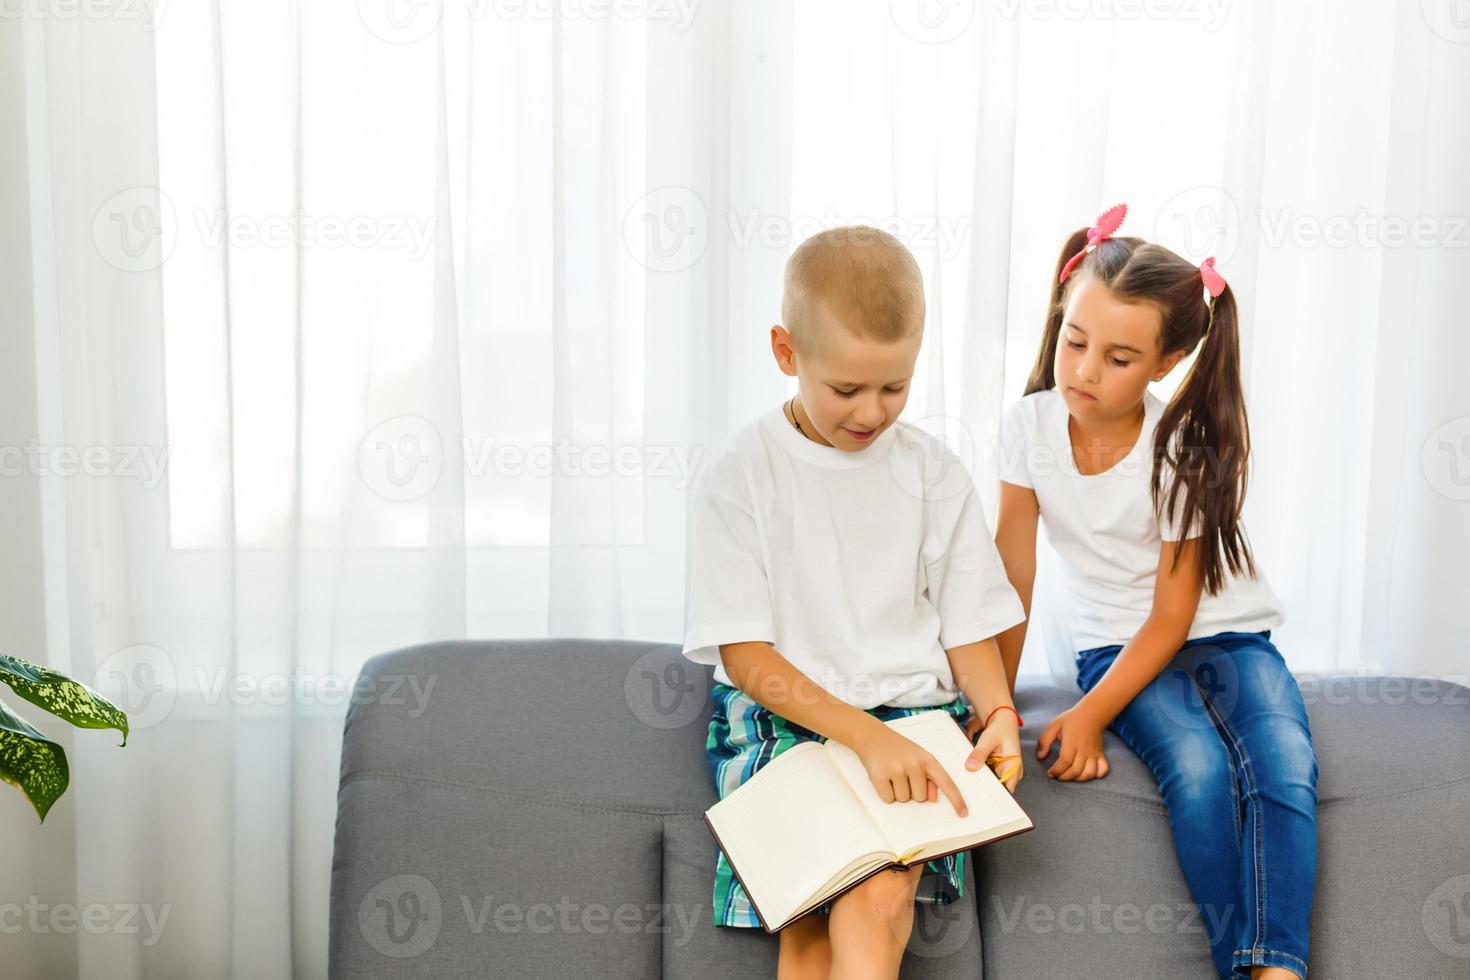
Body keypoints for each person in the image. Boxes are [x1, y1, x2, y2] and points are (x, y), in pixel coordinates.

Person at [681, 225, 1026, 980]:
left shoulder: (933, 472)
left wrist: (997, 710)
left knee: (875, 892)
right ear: (785, 352)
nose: (872, 412)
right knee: (808, 916)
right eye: (846, 389)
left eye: (894, 387)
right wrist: (865, 741)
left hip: (911, 718)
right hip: (782, 716)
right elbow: (745, 657)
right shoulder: (741, 473)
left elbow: (968, 625)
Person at [992, 204, 1318, 980]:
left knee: (1283, 765)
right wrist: (996, 704)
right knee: (1200, 772)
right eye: (1076, 342)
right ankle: (1237, 963)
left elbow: (1175, 615)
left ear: (1167, 363)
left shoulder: (1180, 446)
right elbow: (1013, 573)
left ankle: (1274, 965)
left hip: (1224, 632)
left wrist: (1089, 716)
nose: (1083, 371)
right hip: (1111, 641)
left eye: (1118, 359)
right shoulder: (1028, 430)